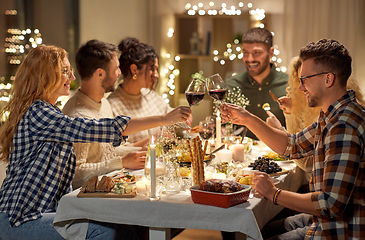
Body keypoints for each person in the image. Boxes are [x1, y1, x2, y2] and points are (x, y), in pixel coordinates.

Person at [0, 45, 190, 240]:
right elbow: (94, 129)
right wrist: (164, 119)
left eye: (70, 71)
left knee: (124, 229)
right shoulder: (39, 113)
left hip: (46, 211)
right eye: (65, 72)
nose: (72, 78)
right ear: (45, 75)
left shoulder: (51, 111)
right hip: (20, 218)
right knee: (104, 232)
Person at [221, 39, 365, 239]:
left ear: (328, 79)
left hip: (338, 231)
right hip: (324, 221)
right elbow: (292, 145)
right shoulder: (334, 113)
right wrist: (247, 119)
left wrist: (274, 194)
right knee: (260, 230)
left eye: (304, 80)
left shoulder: (343, 126)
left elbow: (331, 205)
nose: (300, 88)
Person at [62, 39, 147, 189]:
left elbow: (107, 150)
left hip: (105, 189)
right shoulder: (77, 115)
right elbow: (75, 175)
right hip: (86, 201)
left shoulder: (104, 103)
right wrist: (122, 162)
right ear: (100, 73)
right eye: (116, 69)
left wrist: (138, 150)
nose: (120, 73)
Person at [225, 27, 288, 140]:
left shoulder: (289, 85)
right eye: (245, 53)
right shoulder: (231, 85)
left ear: (271, 52)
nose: (250, 59)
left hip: (279, 155)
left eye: (257, 53)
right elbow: (221, 127)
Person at [107, 37, 173, 143]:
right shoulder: (112, 106)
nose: (156, 75)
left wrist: (184, 118)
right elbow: (112, 152)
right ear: (134, 70)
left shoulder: (151, 96)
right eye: (152, 69)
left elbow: (170, 115)